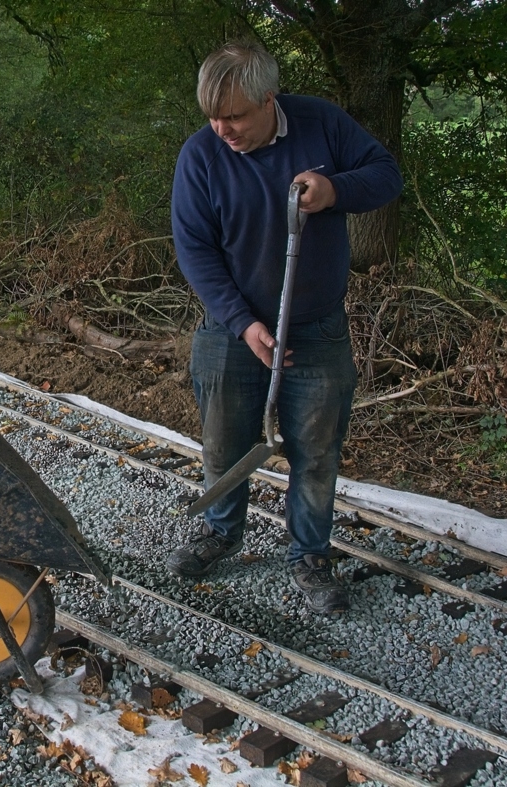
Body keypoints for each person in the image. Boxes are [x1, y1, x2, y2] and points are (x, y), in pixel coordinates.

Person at [168, 40, 402, 613]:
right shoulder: (201, 156)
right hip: (230, 330)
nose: (223, 129)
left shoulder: (322, 125)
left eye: (235, 116)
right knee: (224, 444)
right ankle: (222, 532)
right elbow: (195, 250)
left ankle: (310, 555)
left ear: (269, 98)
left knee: (316, 452)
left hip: (315, 329)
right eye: (213, 117)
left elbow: (386, 176)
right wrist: (243, 323)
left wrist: (334, 190)